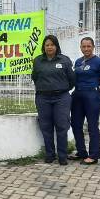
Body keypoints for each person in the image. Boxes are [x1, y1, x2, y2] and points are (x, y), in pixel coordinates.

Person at [31, 35, 76, 165]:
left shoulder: (64, 60)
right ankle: (50, 155)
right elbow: (35, 77)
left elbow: (72, 79)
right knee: (46, 127)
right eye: (47, 45)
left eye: (52, 44)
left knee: (62, 126)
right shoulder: (38, 61)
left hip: (61, 98)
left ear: (56, 46)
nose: (49, 47)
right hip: (43, 98)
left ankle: (62, 156)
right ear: (43, 47)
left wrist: (61, 88)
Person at [69, 37, 100, 165]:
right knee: (76, 124)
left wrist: (99, 96)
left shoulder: (98, 62)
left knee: (92, 126)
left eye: (88, 46)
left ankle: (93, 155)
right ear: (80, 47)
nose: (86, 49)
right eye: (83, 46)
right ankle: (81, 152)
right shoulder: (78, 61)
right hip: (78, 95)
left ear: (93, 47)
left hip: (92, 95)